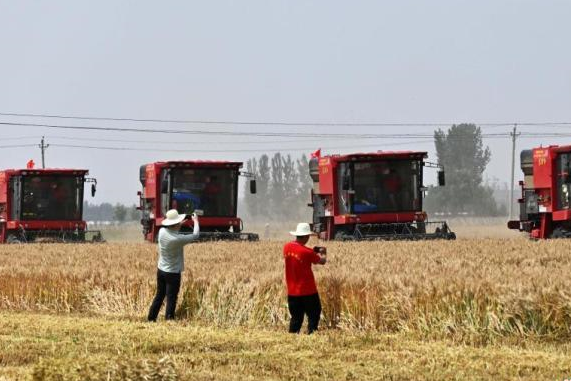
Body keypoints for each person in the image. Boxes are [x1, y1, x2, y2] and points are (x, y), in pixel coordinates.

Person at [147, 209, 200, 322]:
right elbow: (196, 235)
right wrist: (195, 220)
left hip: (161, 270)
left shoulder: (161, 232)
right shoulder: (177, 239)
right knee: (171, 297)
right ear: (175, 224)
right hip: (173, 273)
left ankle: (151, 318)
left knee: (160, 295)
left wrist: (179, 223)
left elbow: (171, 229)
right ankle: (169, 319)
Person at [283, 222, 327, 334]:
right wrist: (323, 253)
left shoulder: (287, 247)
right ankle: (311, 335)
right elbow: (322, 261)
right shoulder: (307, 252)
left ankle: (292, 337)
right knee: (314, 314)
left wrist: (313, 250)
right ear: (307, 236)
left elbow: (301, 251)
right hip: (308, 290)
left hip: (292, 291)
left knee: (296, 318)